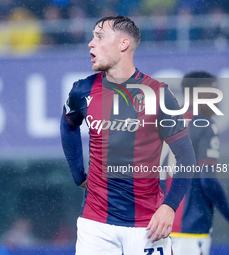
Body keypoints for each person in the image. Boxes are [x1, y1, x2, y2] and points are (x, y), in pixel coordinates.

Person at [60, 16, 196, 255]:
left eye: (99, 37)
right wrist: (77, 174)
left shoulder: (158, 95)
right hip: (95, 224)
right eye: (92, 36)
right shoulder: (82, 90)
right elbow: (68, 125)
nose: (91, 43)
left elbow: (186, 158)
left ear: (123, 44)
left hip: (148, 224)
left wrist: (169, 207)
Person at [162, 71, 229, 255]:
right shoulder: (204, 125)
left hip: (158, 227)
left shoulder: (167, 123)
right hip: (189, 230)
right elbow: (207, 180)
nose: (218, 99)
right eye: (214, 92)